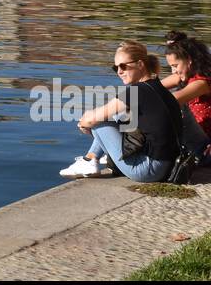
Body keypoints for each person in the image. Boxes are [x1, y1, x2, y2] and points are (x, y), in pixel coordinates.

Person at [59, 40, 183, 182]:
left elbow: (91, 119)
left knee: (99, 122)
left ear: (140, 64)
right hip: (171, 165)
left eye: (123, 66)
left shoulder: (136, 91)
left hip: (149, 170)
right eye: (115, 67)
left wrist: (84, 123)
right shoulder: (159, 87)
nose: (119, 71)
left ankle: (89, 160)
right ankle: (91, 159)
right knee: (118, 114)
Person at [161, 31, 211, 164]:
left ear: (189, 61)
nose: (173, 71)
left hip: (207, 147)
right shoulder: (189, 74)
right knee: (145, 97)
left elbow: (172, 100)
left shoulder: (203, 82)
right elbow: (152, 88)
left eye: (175, 66)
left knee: (176, 107)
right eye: (171, 67)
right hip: (199, 137)